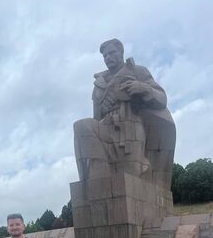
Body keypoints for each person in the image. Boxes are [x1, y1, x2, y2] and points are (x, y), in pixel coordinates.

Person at [73, 38, 175, 189]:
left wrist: (143, 88)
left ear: (121, 52)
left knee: (132, 178)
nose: (108, 58)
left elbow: (162, 99)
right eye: (105, 56)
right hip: (104, 128)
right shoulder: (99, 84)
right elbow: (96, 117)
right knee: (82, 126)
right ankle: (96, 188)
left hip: (130, 129)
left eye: (111, 53)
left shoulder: (137, 71)